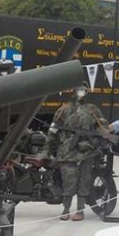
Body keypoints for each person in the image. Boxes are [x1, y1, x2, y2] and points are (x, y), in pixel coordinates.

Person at [45, 85, 109, 221]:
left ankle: (80, 210)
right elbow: (52, 131)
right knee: (69, 181)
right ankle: (66, 209)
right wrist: (47, 150)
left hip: (87, 150)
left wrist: (96, 141)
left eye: (84, 91)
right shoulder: (63, 110)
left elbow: (102, 128)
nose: (81, 94)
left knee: (84, 180)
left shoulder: (92, 110)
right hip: (68, 151)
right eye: (79, 91)